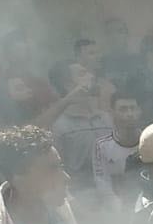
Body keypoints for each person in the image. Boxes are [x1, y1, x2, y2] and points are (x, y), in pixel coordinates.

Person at [47, 61, 113, 189]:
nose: (91, 76)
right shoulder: (60, 125)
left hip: (114, 189)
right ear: (68, 85)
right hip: (82, 193)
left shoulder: (105, 118)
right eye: (83, 74)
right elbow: (55, 168)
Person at [92, 84, 145, 207]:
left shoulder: (150, 141)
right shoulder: (101, 146)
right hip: (116, 206)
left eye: (133, 108)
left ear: (139, 111)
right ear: (112, 113)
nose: (129, 113)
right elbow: (102, 183)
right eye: (123, 109)